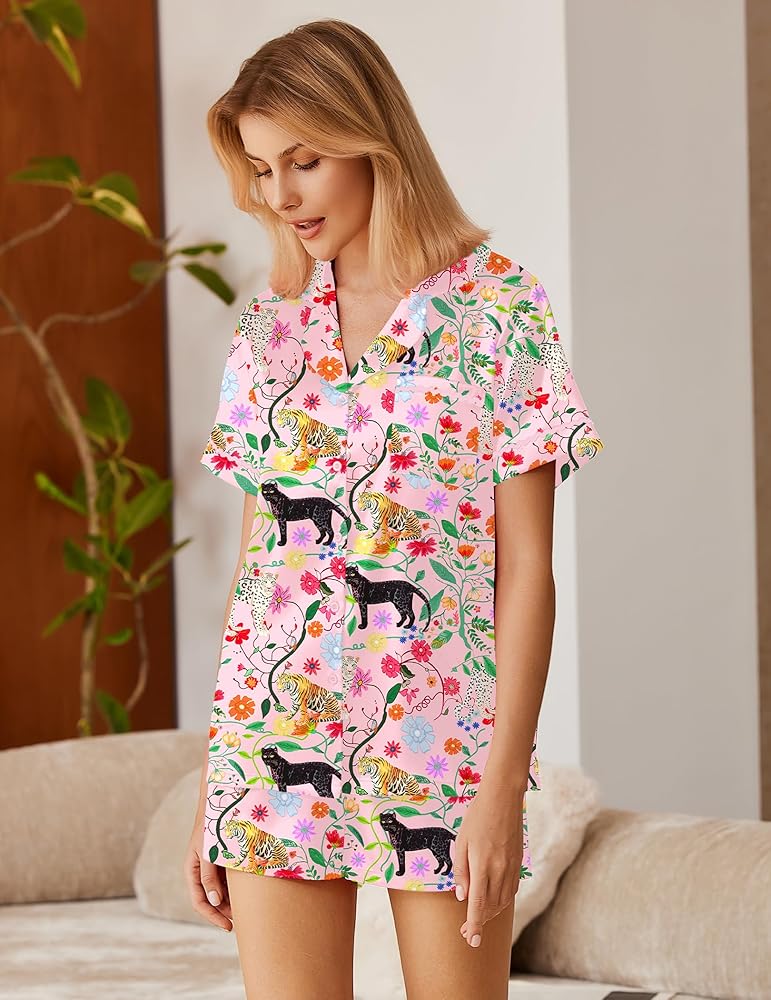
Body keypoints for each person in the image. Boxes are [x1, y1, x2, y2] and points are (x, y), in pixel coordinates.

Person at [184, 17, 604, 1000]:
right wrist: (220, 782)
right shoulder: (269, 331)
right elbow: (260, 574)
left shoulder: (498, 309)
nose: (280, 196)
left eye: (305, 161)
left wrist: (501, 788)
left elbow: (526, 572)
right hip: (273, 737)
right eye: (261, 169)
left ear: (371, 141)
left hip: (441, 743)